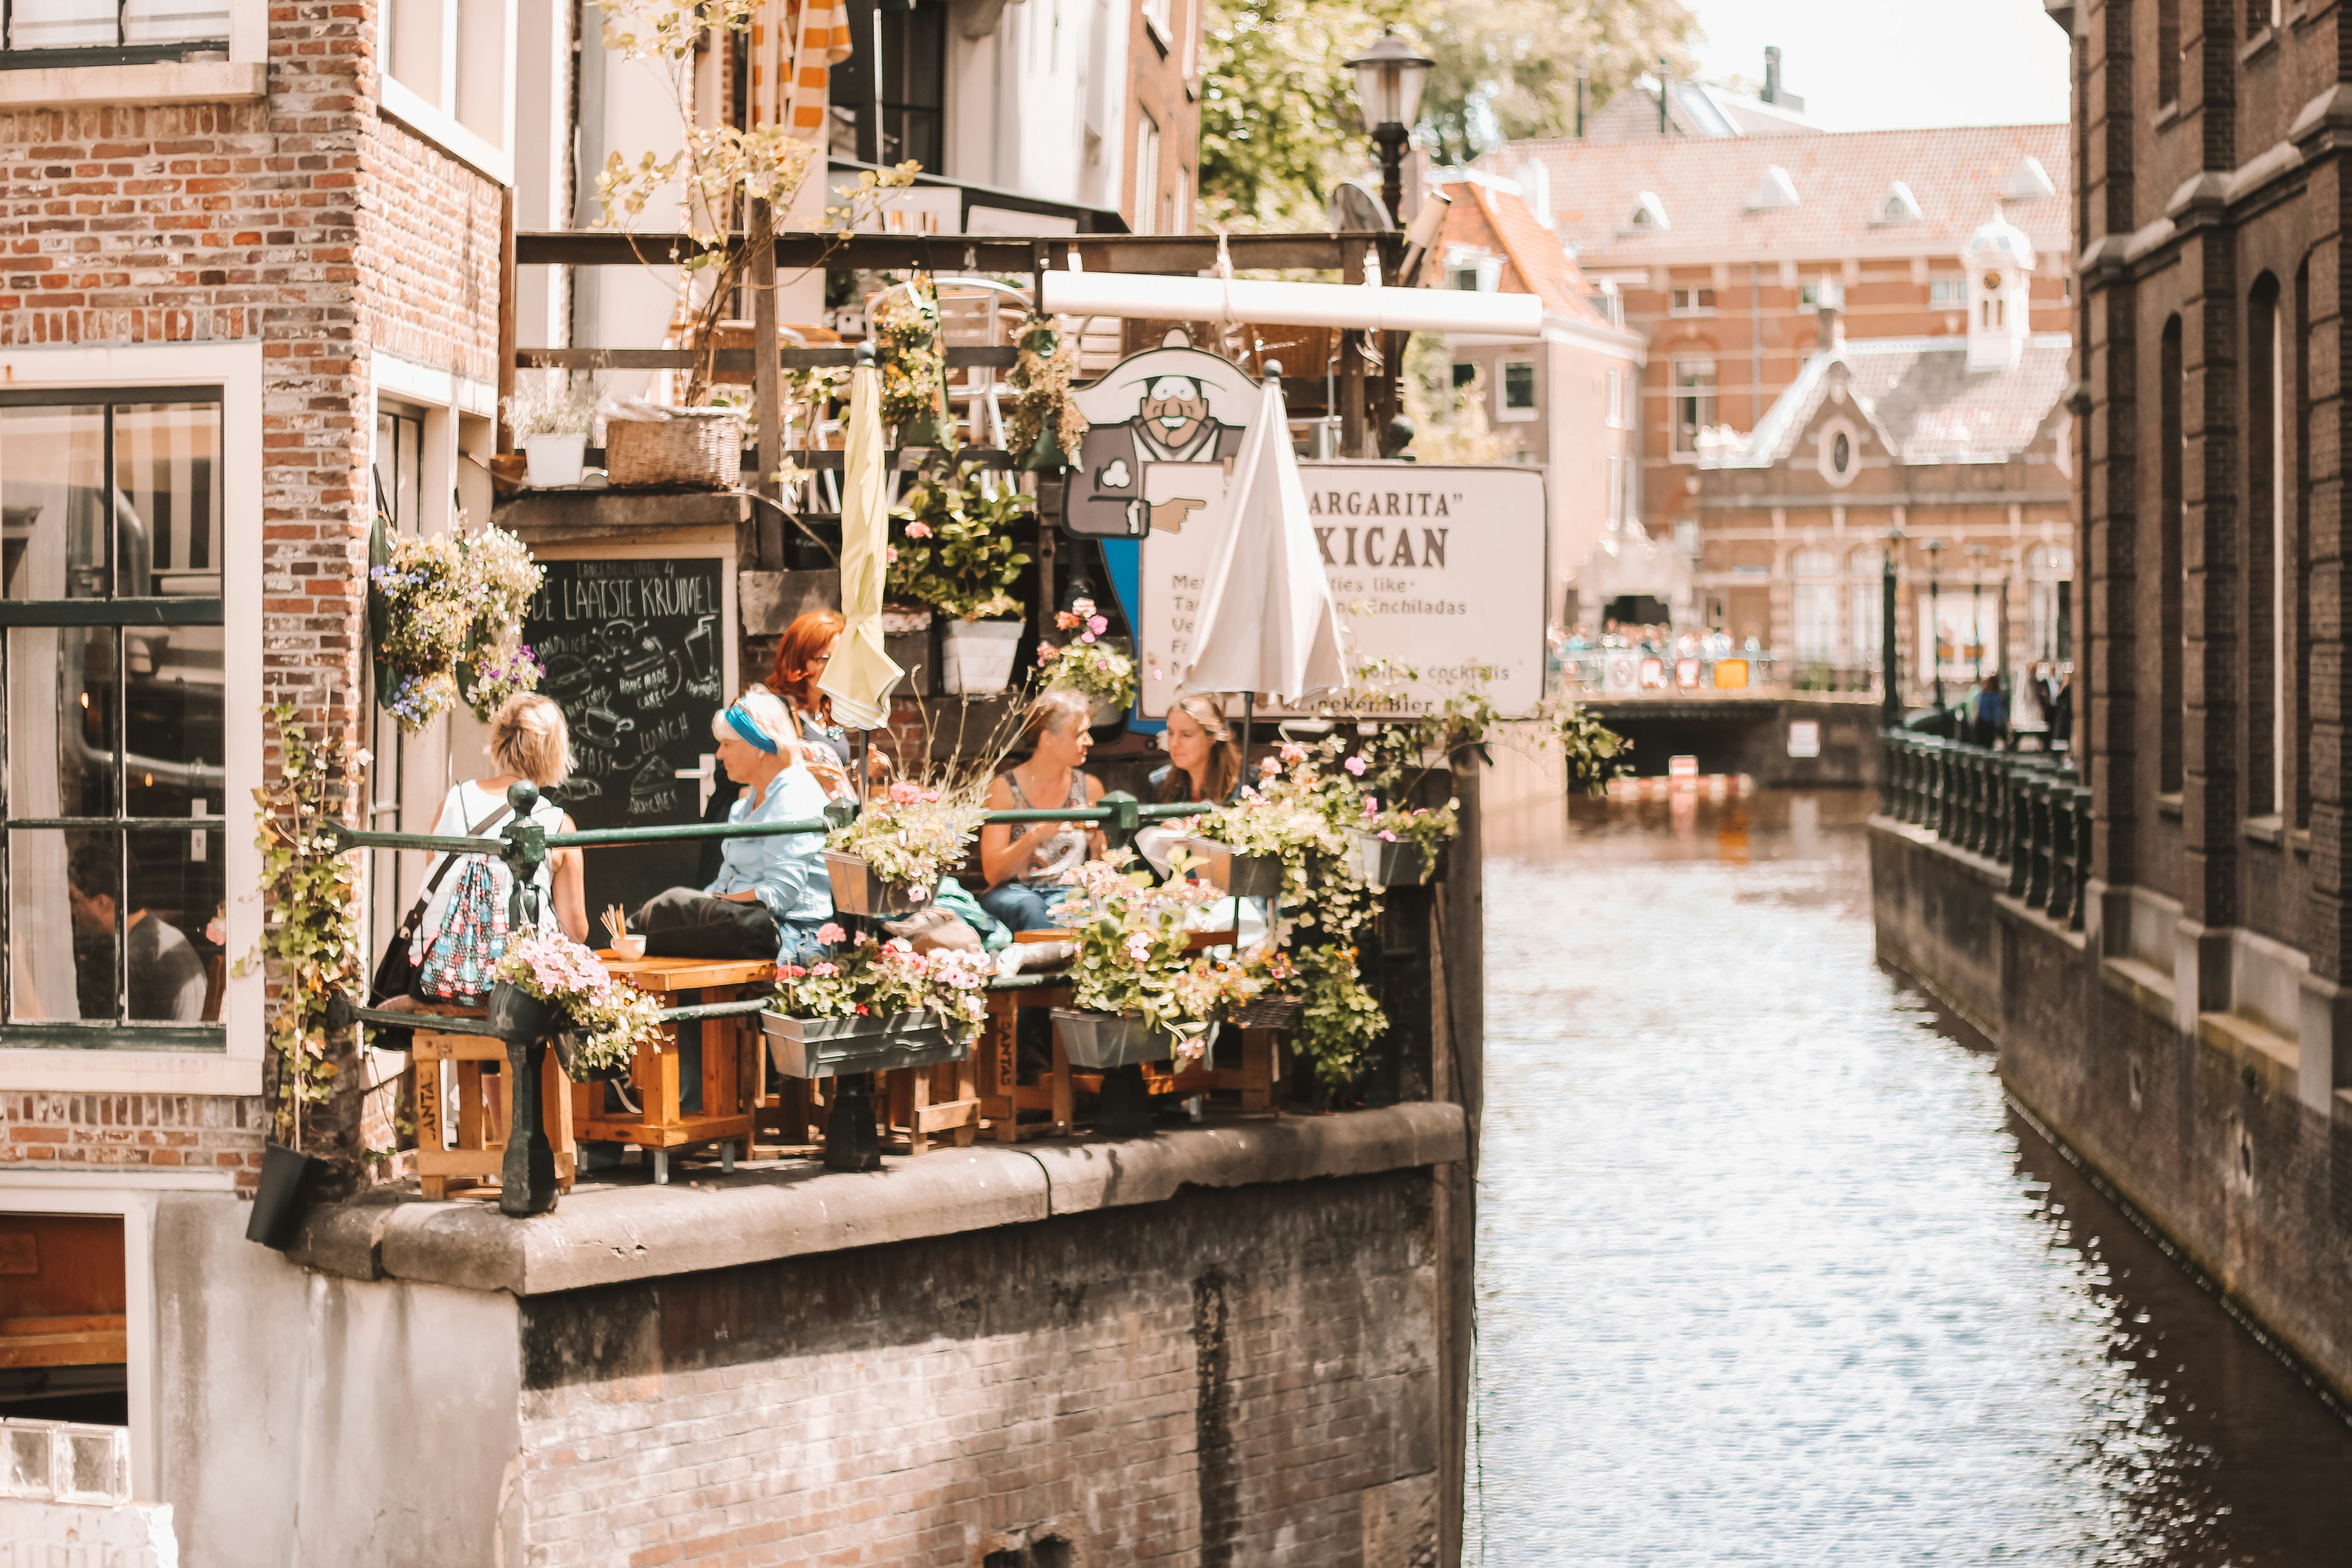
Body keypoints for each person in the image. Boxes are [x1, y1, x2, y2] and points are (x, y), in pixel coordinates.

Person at [408, 695, 590, 1002]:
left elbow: (438, 881)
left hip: (434, 972)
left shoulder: (454, 801)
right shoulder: (558, 824)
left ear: (499, 743)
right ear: (553, 752)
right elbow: (576, 930)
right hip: (515, 986)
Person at [632, 689, 833, 962]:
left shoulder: (794, 795)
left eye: (727, 744)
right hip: (744, 929)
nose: (718, 754)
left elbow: (779, 895)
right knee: (670, 914)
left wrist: (707, 909)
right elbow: (724, 883)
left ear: (758, 745)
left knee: (674, 906)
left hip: (791, 938)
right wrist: (705, 907)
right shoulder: (742, 808)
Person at [977, 689, 1107, 933]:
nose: (1089, 741)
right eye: (1080, 734)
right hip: (1017, 891)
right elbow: (994, 874)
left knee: (1093, 911)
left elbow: (1101, 864)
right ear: (1048, 739)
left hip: (1071, 891)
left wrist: (1097, 844)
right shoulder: (1005, 788)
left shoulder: (1090, 788)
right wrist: (1035, 836)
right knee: (1032, 909)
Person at [65, 845, 207, 1021]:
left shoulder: (133, 959)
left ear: (102, 903)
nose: (72, 911)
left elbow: (112, 1042)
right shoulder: (168, 936)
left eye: (75, 900)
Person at [766, 610, 858, 800]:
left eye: (840, 660)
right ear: (798, 659)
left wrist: (861, 769)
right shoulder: (775, 712)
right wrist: (804, 772)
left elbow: (831, 776)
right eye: (825, 660)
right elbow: (755, 774)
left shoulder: (829, 710)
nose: (837, 668)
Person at [1151, 692, 1244, 805]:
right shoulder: (1160, 783)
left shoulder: (1244, 785)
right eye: (1171, 734)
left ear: (1212, 738)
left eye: (1186, 735)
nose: (1174, 744)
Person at [1972, 672, 2009, 746]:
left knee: (1981, 746)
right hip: (1989, 724)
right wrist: (2005, 722)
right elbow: (1998, 712)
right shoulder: (1994, 696)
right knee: (1988, 746)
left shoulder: (1982, 695)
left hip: (1980, 723)